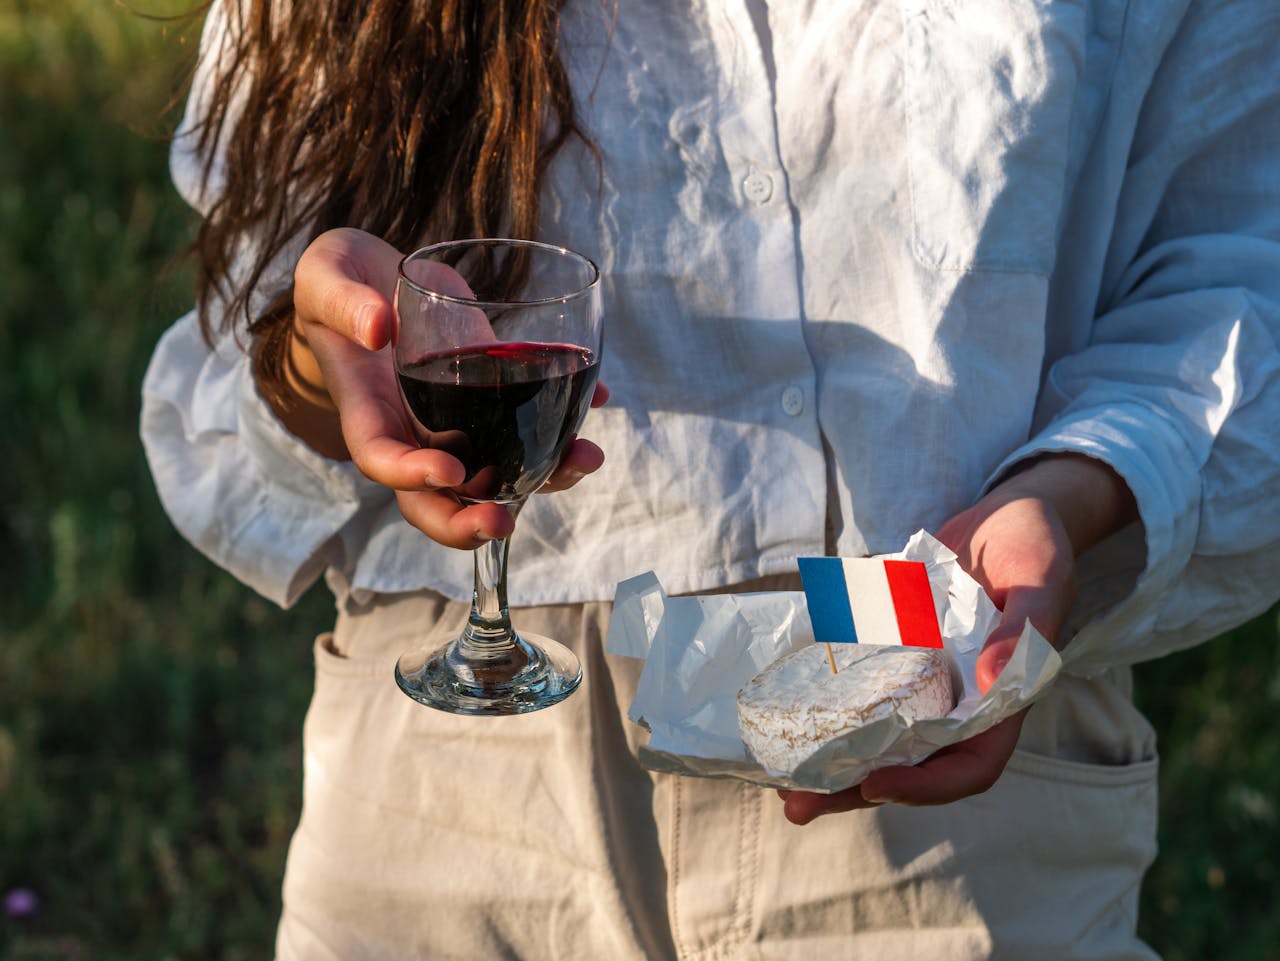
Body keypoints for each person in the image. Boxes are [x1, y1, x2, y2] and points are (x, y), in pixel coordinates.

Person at [140, 0, 1280, 957]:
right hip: (457, 779)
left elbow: (1239, 251)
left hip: (928, 712)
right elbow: (267, 337)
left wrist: (1069, 490)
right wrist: (323, 354)